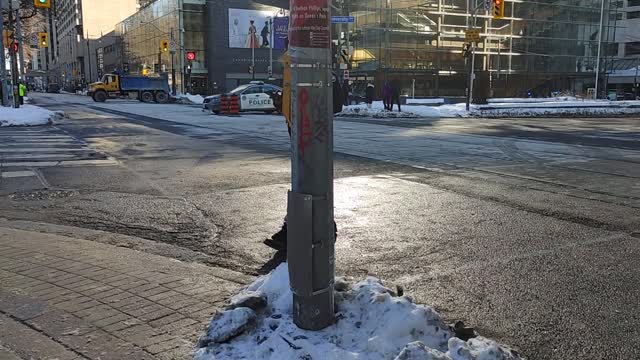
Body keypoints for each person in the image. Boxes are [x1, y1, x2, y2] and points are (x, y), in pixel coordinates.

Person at [264, 49, 338, 253]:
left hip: (309, 133)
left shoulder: (306, 61)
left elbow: (330, 100)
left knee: (307, 183)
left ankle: (315, 228)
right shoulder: (294, 61)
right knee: (303, 183)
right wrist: (283, 105)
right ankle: (299, 228)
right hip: (298, 129)